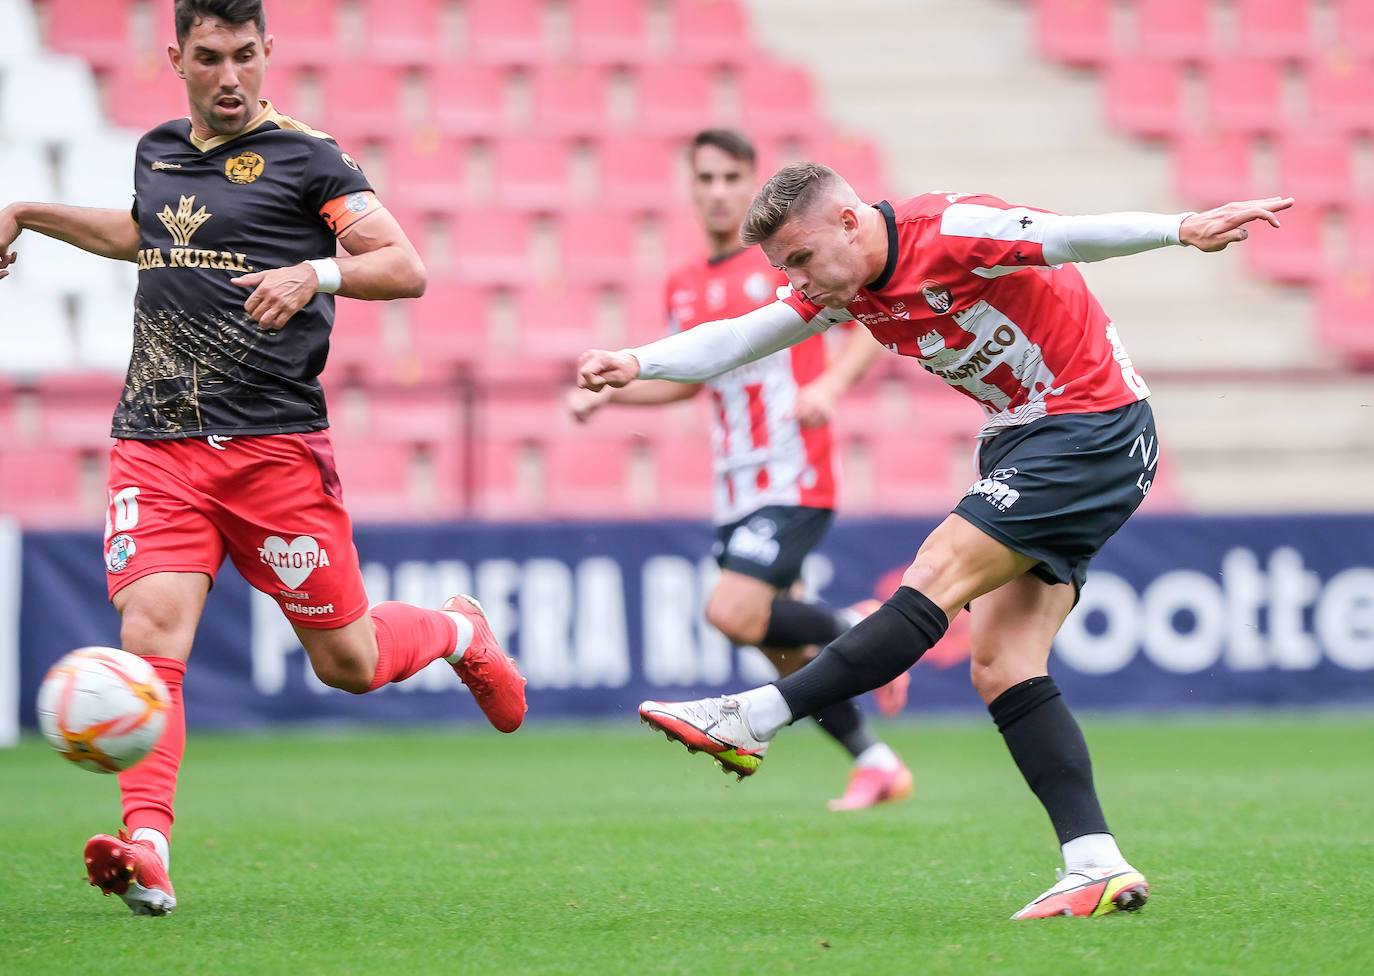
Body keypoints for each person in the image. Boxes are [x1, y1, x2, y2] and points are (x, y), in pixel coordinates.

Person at [577, 160, 1292, 919]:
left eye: (800, 260)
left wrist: (1181, 228)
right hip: (1032, 439)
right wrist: (637, 362)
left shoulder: (949, 229)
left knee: (937, 568)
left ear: (849, 221)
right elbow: (744, 337)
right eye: (786, 268)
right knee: (1002, 662)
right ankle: (1093, 862)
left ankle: (754, 719)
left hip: (1088, 427)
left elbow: (1064, 235)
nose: (800, 282)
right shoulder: (846, 284)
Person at [0, 0, 527, 917]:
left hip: (273, 452)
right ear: (177, 58)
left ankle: (455, 631)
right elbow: (146, 236)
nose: (231, 77)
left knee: (349, 664)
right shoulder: (157, 150)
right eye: (210, 58)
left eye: (246, 56)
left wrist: (315, 271)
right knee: (151, 638)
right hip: (155, 444)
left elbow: (404, 267)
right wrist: (28, 211)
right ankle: (148, 848)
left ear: (268, 52)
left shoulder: (312, 158)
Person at [567, 130, 912, 812]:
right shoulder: (685, 284)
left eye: (731, 178)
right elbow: (688, 381)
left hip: (792, 472)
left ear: (753, 184)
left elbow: (873, 321)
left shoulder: (793, 263)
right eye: (706, 178)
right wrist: (610, 393)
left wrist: (830, 388)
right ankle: (875, 762)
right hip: (735, 485)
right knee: (773, 642)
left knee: (731, 610)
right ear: (691, 188)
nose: (718, 191)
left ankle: (858, 623)